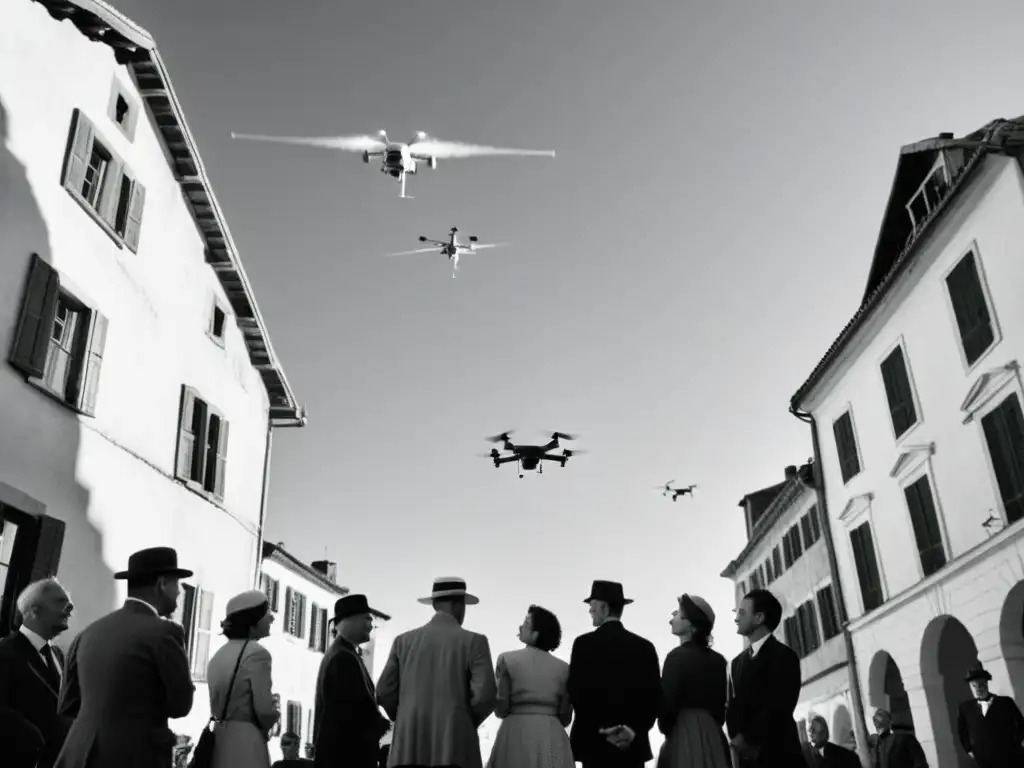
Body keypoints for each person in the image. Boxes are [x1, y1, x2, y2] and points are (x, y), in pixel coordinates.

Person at [53, 546, 196, 768]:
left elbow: (68, 704)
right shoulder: (165, 632)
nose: (180, 592)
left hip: (79, 754)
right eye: (177, 584)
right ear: (161, 584)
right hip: (132, 755)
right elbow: (180, 706)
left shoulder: (89, 632)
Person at [376, 576, 496, 768]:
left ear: (434, 605)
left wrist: (405, 716)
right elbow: (486, 696)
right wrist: (463, 720)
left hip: (407, 749)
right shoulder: (475, 642)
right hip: (456, 750)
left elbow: (384, 692)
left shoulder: (403, 642)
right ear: (458, 605)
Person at [567, 579, 661, 768]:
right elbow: (654, 698)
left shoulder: (583, 644)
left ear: (604, 608)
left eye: (592, 606)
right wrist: (632, 731)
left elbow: (577, 694)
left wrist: (602, 731)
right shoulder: (645, 647)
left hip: (594, 747)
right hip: (631, 747)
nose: (589, 611)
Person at [486, 605, 574, 768]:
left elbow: (501, 709)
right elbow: (565, 717)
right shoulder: (564, 669)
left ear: (536, 633)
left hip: (515, 733)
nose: (520, 626)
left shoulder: (507, 660)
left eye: (526, 623)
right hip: (552, 736)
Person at [0, 578, 74, 767]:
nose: (70, 607)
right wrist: (31, 737)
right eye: (60, 602)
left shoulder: (57, 654)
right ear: (34, 611)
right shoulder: (5, 651)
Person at [725, 588, 803, 767]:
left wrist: (748, 739)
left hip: (780, 755)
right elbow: (732, 706)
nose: (736, 618)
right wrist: (737, 738)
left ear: (759, 618)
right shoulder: (736, 663)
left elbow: (780, 706)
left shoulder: (785, 656)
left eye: (742, 613)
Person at [312, 594, 390, 768]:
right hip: (347, 757)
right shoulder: (343, 658)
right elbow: (358, 711)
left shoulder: (341, 653)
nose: (371, 625)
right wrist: (391, 727)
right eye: (367, 619)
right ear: (350, 620)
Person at [206, 589, 280, 768]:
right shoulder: (258, 654)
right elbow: (263, 711)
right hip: (247, 742)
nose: (271, 618)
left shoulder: (218, 655)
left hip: (219, 738)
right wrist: (275, 712)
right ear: (253, 620)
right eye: (267, 613)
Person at [657, 594, 729, 768]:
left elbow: (667, 706)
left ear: (690, 624)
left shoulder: (675, 657)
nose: (671, 619)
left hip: (684, 736)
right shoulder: (719, 661)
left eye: (677, 614)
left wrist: (668, 729)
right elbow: (720, 711)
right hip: (713, 737)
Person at [956, 661, 1024, 768]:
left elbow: (1020, 723)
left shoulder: (1005, 702)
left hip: (1010, 755)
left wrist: (1015, 743)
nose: (978, 689)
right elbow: (962, 730)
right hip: (984, 757)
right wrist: (969, 749)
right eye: (974, 686)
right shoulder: (965, 708)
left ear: (986, 684)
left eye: (981, 685)